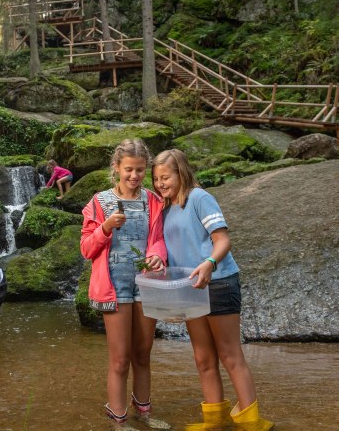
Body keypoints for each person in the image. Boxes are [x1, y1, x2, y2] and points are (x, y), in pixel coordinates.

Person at [152, 149, 273, 431]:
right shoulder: (166, 207)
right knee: (203, 357)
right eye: (156, 179)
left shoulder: (200, 198)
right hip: (191, 288)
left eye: (165, 177)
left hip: (218, 282)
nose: (160, 184)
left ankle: (251, 421)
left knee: (230, 355)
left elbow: (223, 241)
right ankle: (215, 421)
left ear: (181, 173)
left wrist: (208, 263)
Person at [80, 139, 169, 430]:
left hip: (146, 285)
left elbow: (158, 240)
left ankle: (143, 414)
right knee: (120, 360)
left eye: (140, 170)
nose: (134, 176)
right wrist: (105, 228)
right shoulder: (99, 202)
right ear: (116, 167)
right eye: (129, 169)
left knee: (143, 354)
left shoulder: (153, 200)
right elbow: (86, 249)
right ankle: (118, 419)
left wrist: (157, 257)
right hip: (114, 288)